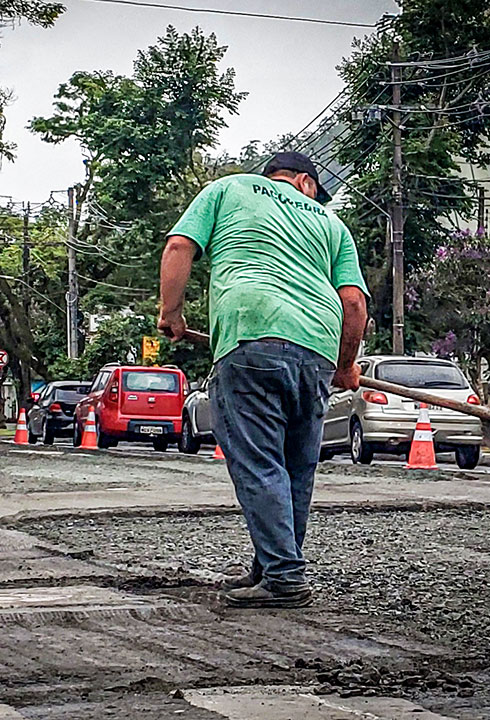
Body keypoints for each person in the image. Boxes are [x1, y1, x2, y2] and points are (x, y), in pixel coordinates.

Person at [159, 151, 369, 609]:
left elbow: (178, 248)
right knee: (295, 467)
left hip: (250, 336)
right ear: (305, 183)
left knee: (259, 463)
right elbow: (353, 304)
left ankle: (284, 577)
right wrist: (345, 365)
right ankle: (274, 565)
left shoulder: (228, 189)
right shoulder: (332, 226)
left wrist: (171, 313)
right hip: (315, 345)